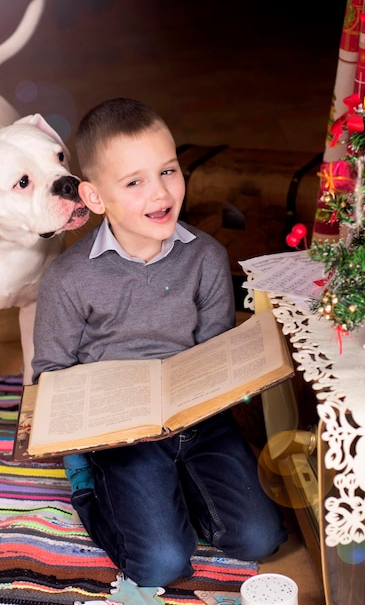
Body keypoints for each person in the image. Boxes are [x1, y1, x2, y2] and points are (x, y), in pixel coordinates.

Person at [31, 97, 288, 587]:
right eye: (135, 182)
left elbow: (215, 349)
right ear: (94, 197)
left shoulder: (207, 257)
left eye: (168, 171)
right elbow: (50, 376)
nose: (160, 193)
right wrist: (88, 444)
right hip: (122, 438)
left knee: (261, 539)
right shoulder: (67, 279)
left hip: (199, 423)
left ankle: (177, 492)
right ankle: (93, 491)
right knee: (162, 565)